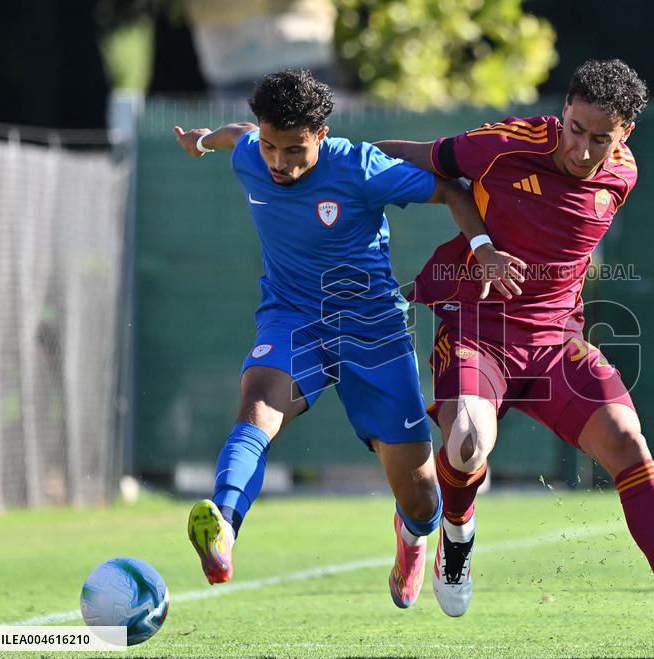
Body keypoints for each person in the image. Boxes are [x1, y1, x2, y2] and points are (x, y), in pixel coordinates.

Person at [376, 59, 654, 642]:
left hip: (555, 341)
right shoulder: (502, 146)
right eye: (575, 128)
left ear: (625, 136)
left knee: (626, 440)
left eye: (601, 138)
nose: (583, 148)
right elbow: (428, 158)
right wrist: (331, 154)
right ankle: (456, 536)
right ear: (562, 112)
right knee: (467, 443)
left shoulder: (623, 175)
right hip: (477, 329)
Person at [172, 69, 524, 609]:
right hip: (292, 319)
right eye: (270, 146)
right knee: (256, 410)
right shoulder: (251, 153)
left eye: (294, 151)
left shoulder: (359, 166)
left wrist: (481, 247)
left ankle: (411, 541)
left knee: (425, 501)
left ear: (322, 134)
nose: (278, 163)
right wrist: (198, 142)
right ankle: (224, 525)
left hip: (372, 331)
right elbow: (234, 134)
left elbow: (451, 189)